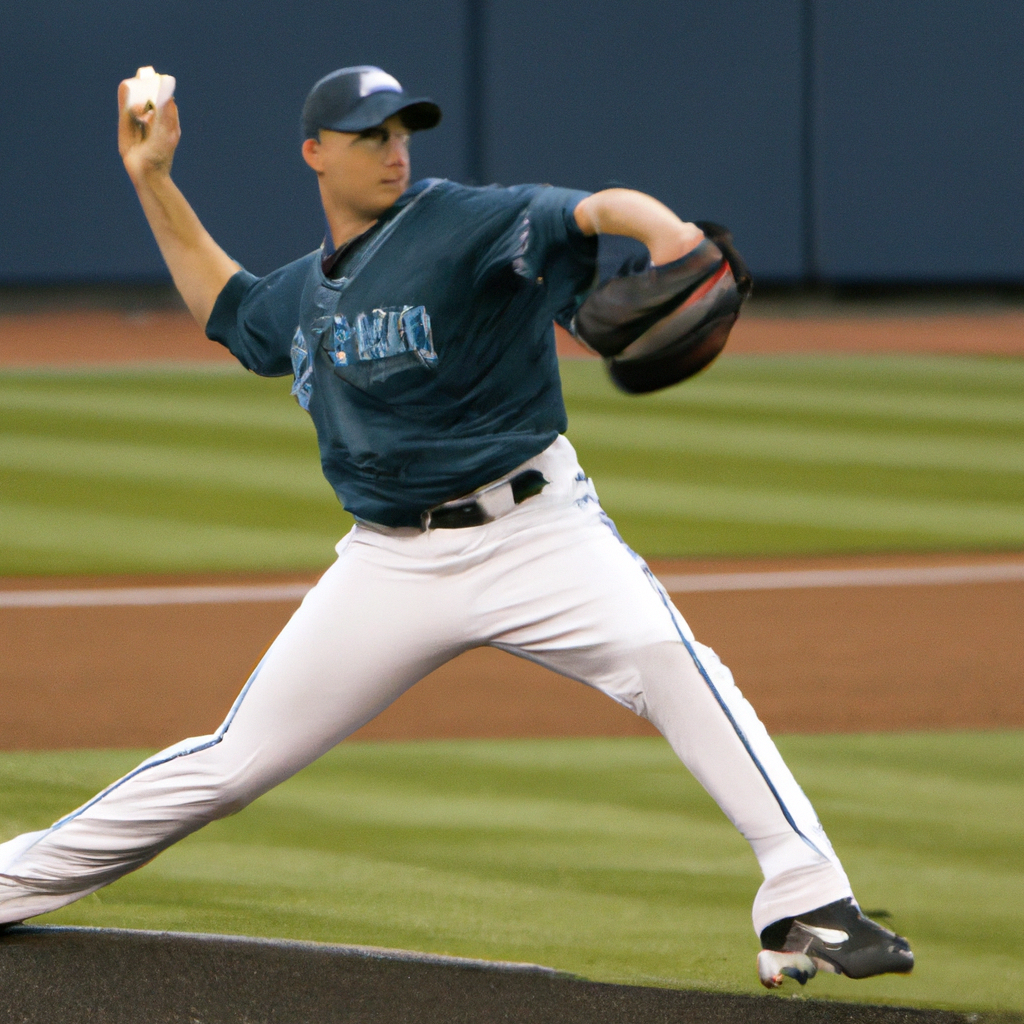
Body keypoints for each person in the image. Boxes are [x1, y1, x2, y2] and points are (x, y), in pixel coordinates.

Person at [0, 66, 912, 989]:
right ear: (315, 153)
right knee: (232, 765)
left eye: (402, 132)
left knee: (672, 662)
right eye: (369, 136)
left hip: (536, 533)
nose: (394, 151)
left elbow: (591, 210)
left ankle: (805, 900)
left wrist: (668, 232)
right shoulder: (312, 292)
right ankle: (9, 880)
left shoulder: (464, 221)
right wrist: (152, 178)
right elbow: (233, 313)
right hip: (388, 565)